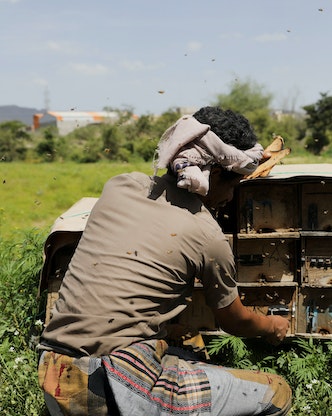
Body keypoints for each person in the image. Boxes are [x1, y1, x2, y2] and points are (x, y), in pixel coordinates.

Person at [38, 106, 292, 416]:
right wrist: (273, 326)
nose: (233, 193)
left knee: (185, 344)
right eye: (233, 182)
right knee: (276, 393)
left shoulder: (121, 185)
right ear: (211, 174)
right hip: (108, 388)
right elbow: (233, 320)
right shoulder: (206, 234)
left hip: (54, 374)